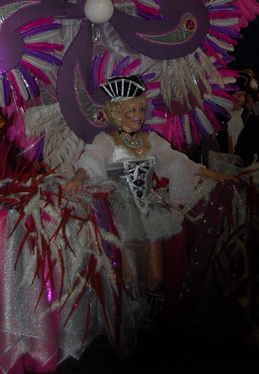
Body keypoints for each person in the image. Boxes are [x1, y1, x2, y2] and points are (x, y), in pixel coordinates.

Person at [63, 76, 237, 318]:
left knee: (156, 277)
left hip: (150, 211)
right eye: (131, 110)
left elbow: (179, 163)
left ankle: (151, 327)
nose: (138, 115)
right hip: (121, 216)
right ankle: (132, 324)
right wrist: (78, 177)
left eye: (141, 109)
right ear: (117, 113)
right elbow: (90, 162)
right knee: (130, 277)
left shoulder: (151, 139)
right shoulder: (107, 141)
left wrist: (214, 174)